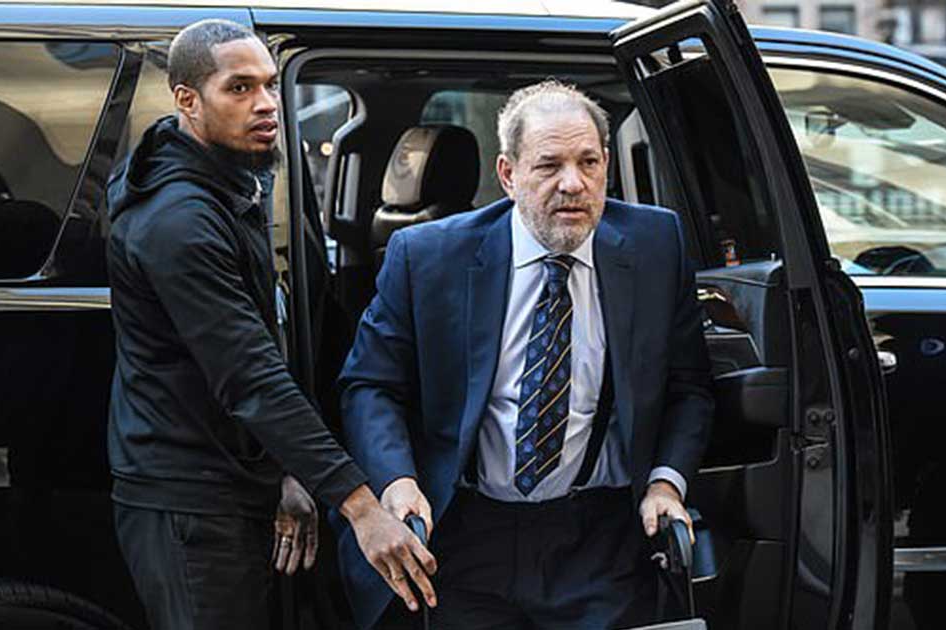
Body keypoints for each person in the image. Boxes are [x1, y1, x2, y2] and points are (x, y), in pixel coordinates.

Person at [337, 79, 715, 629]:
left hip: (599, 538)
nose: (573, 183)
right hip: (463, 532)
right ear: (508, 174)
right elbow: (370, 385)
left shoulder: (657, 244)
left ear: (607, 165)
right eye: (549, 165)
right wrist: (398, 481)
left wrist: (665, 481)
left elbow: (689, 386)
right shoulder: (429, 256)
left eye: (588, 162)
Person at [105, 19, 436, 630]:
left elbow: (262, 340)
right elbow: (250, 376)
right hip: (192, 500)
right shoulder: (179, 221)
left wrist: (283, 469)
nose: (266, 104)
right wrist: (362, 509)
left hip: (228, 477)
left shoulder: (223, 176)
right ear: (187, 100)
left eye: (269, 84)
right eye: (239, 88)